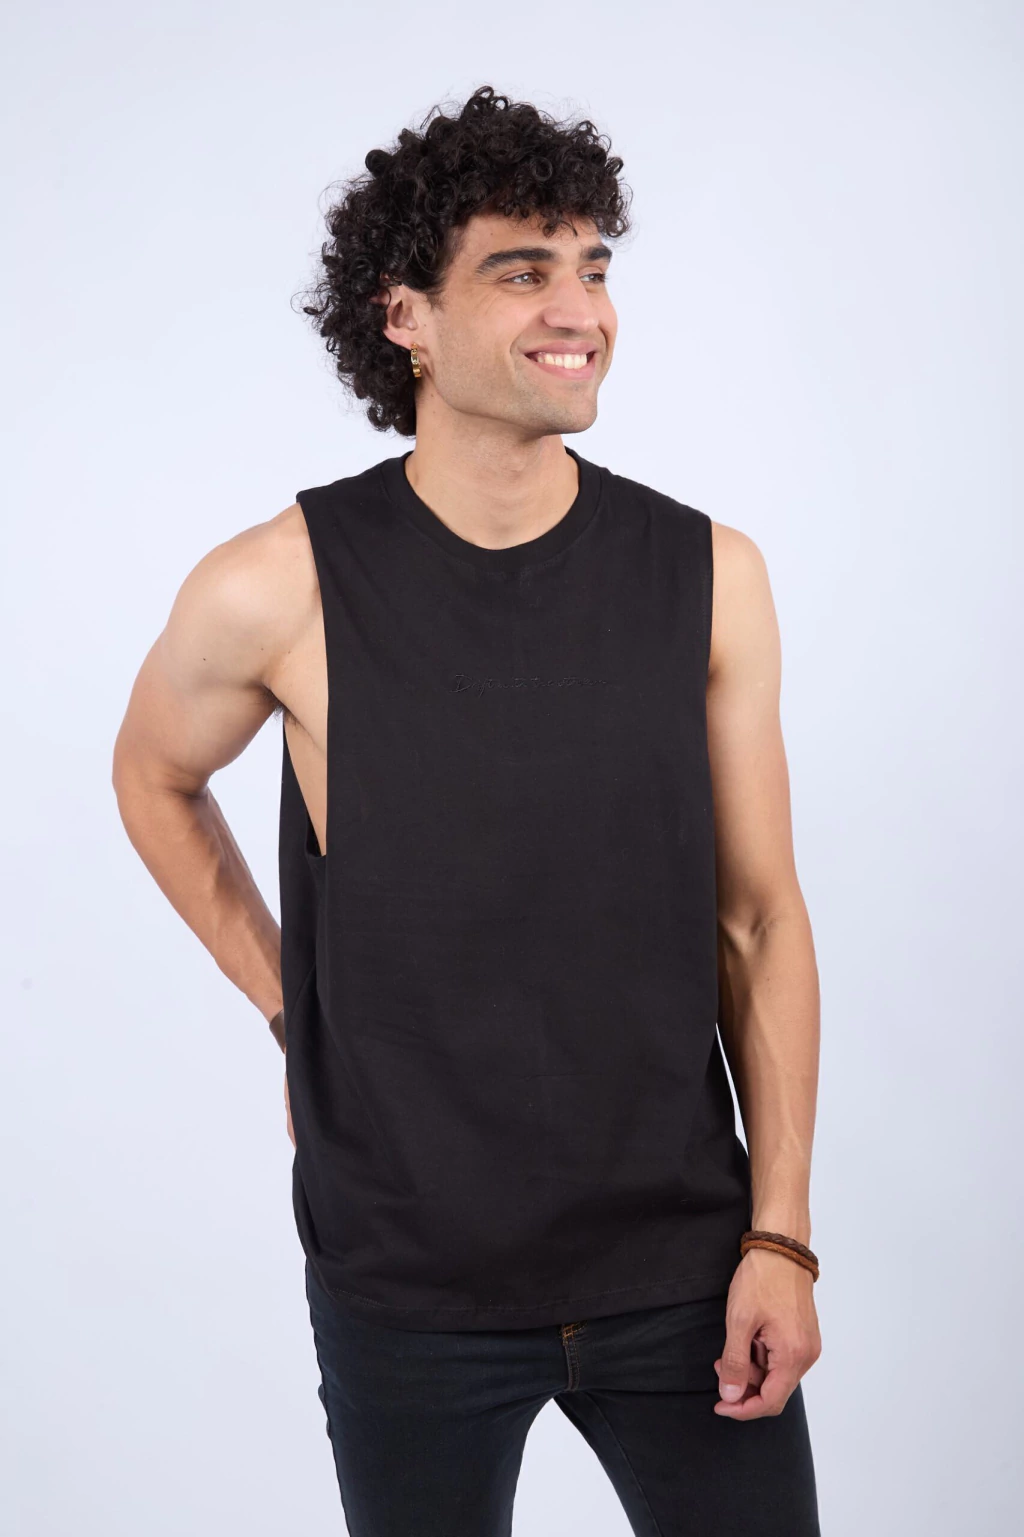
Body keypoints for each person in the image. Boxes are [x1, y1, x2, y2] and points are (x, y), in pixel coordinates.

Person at [112, 85, 822, 1535]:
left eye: (594, 267)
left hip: (685, 1265)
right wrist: (291, 1012)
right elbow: (152, 776)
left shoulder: (710, 577)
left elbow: (758, 920)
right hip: (407, 1276)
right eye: (522, 270)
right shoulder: (277, 586)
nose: (580, 310)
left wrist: (783, 1240)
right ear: (406, 319)